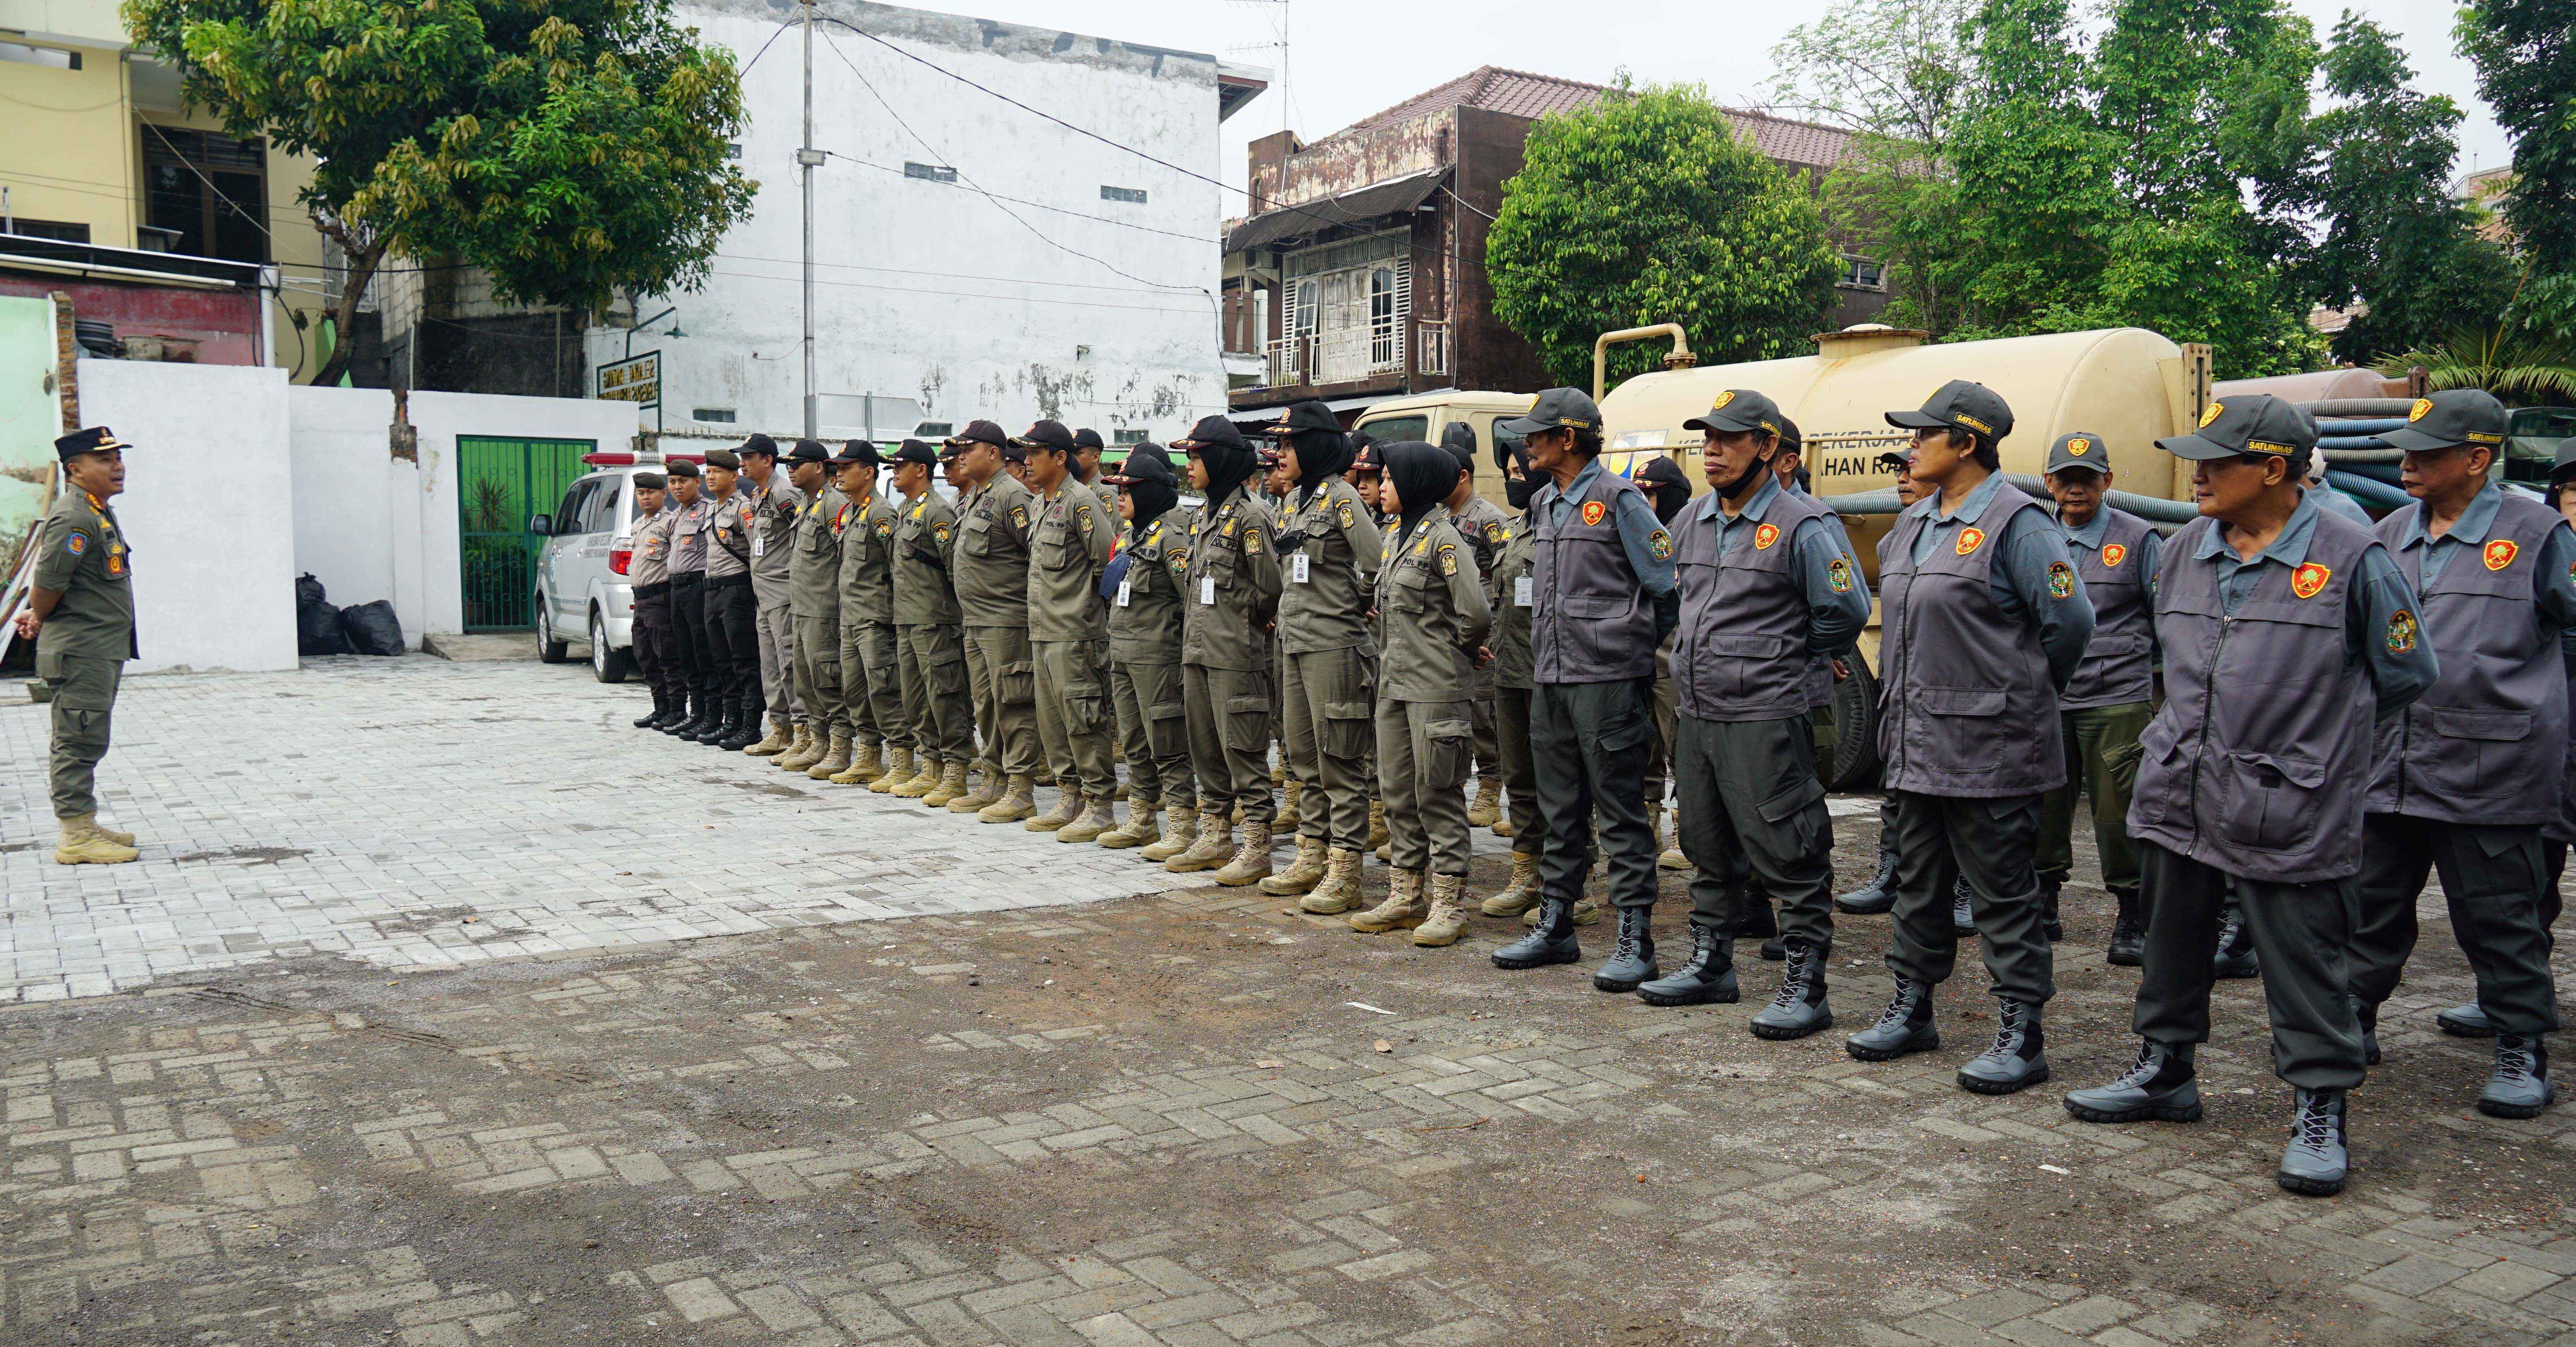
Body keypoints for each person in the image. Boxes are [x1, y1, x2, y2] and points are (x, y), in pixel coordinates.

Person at [2063, 393, 2436, 1198]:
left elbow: (2405, 676)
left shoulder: (2350, 556)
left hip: (2289, 804)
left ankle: (2318, 1107)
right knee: (2169, 945)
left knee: (2303, 964)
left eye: (2213, 460)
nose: (2194, 474)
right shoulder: (2186, 545)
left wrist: (2317, 751)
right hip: (2179, 790)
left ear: (2272, 468)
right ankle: (2164, 1070)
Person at [1845, 381, 2094, 1096]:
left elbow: (2069, 624)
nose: (1911, 443)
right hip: (1914, 742)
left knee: (2001, 894)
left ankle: (2020, 1032)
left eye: (1925, 433)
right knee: (1916, 886)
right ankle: (1910, 1007)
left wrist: (2017, 694)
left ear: (1965, 443)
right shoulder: (1912, 525)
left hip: (1991, 748)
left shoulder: (2021, 525)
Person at [2346, 389, 2570, 1118]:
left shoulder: (2536, 533)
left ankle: (2519, 1046)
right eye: (2405, 451)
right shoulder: (2384, 534)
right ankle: (2351, 1023)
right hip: (2389, 763)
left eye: (2426, 453)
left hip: (2491, 767)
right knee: (2367, 907)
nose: (2405, 464)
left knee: (2498, 916)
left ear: (2476, 459)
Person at [1639, 391, 1871, 1034]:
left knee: (1788, 847)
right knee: (1706, 843)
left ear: (1766, 448)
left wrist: (1790, 656)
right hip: (1700, 712)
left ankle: (1806, 983)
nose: (1710, 451)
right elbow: (1672, 600)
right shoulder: (1690, 520)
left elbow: (1846, 609)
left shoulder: (1802, 524)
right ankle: (1712, 963)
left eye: (1728, 439)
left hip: (1767, 713)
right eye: (1705, 438)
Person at [1489, 388, 1680, 974]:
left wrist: (1628, 651)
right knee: (1558, 807)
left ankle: (1633, 939)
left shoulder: (1619, 498)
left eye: (1537, 434)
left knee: (1619, 809)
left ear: (1567, 438)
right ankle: (1555, 925)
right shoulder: (1546, 502)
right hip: (1550, 675)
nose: (1527, 444)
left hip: (1605, 681)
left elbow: (1665, 585)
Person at [1348, 442, 1493, 945]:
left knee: (1437, 794)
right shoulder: (1393, 536)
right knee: (1395, 793)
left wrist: (1459, 651)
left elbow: (1474, 613)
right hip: (1394, 684)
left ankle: (1448, 904)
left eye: (1388, 477)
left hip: (1435, 688)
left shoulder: (1444, 540)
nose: (1380, 484)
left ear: (1413, 482)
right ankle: (1406, 895)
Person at [2034, 432, 2161, 963]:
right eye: (2065, 478)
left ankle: (2132, 915)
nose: (2075, 488)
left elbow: (2167, 618)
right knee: (2041, 805)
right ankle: (2042, 903)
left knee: (2118, 812)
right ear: (2049, 483)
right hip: (2046, 697)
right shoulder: (2033, 536)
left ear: (2107, 481)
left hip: (2115, 698)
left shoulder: (2138, 539)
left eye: (2086, 478)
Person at [1261, 401, 1382, 913]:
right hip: (1293, 641)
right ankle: (1311, 855)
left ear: (1311, 446)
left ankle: (1345, 871)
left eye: (1288, 445)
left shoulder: (1342, 498)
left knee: (1339, 761)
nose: (1280, 454)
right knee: (1303, 759)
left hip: (1332, 645)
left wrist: (1357, 602)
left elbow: (1376, 558)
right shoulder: (1293, 502)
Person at [1165, 415, 1284, 883]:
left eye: (1196, 457)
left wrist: (1242, 622)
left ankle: (1256, 846)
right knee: (1205, 747)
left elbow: (1269, 585)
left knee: (1242, 749)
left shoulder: (1251, 516)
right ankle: (1215, 835)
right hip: (1197, 650)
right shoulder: (1201, 515)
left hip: (1234, 653)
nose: (1189, 466)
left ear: (1217, 459)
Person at [20, 426, 143, 864]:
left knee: (87, 738)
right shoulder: (75, 517)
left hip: (97, 647)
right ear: (75, 470)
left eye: (118, 458)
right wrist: (40, 612)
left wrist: (38, 617)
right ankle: (75, 836)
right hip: (81, 650)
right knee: (77, 741)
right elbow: (48, 584)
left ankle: (85, 823)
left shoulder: (96, 511)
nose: (118, 467)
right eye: (104, 460)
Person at [1017, 421, 1121, 841]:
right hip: (1043, 630)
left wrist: (1089, 619)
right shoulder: (1041, 503)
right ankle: (1069, 796)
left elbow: (1107, 566)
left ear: (1060, 458)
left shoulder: (1082, 502)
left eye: (1034, 453)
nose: (1026, 462)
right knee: (1053, 722)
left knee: (1084, 719)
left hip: (1075, 632)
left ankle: (1099, 804)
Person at [941, 421, 1043, 822]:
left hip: (1007, 619)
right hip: (976, 620)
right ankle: (994, 779)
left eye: (970, 447)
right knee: (986, 705)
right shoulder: (973, 498)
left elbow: (1035, 556)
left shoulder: (1012, 495)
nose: (962, 455)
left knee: (1013, 704)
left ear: (995, 452)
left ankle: (1021, 789)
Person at [1836, 450, 1923, 914]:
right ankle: (1891, 872)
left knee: (1962, 798)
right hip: (1900, 684)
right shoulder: (1896, 538)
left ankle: (1967, 891)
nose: (1902, 479)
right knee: (1895, 785)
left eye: (1909, 470)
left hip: (1954, 692)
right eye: (1897, 472)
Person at [1101, 444, 1198, 855]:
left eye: (1128, 488)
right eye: (1118, 488)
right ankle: (1141, 820)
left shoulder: (1171, 540)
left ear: (1152, 492)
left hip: (1157, 658)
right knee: (1134, 740)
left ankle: (1181, 824)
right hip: (1122, 653)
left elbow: (1189, 599)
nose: (1119, 495)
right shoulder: (1129, 536)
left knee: (1167, 741)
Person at [882, 440, 976, 804]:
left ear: (921, 470)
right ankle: (932, 765)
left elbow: (955, 568)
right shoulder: (906, 508)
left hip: (935, 620)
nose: (895, 471)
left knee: (944, 695)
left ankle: (955, 769)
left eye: (900, 465)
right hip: (908, 618)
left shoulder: (937, 511)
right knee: (916, 697)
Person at [1478, 434, 1547, 919]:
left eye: (1520, 472)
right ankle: (1526, 874)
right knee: (1520, 780)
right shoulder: (1514, 529)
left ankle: (1573, 885)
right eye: (1507, 474)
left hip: (1552, 674)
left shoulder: (1564, 526)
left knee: (1561, 783)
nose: (1511, 480)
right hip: (1510, 672)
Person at [1441, 422, 1515, 832]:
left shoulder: (1488, 518)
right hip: (1450, 629)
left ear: (1464, 476)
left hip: (1483, 629)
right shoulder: (1438, 519)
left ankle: (1491, 787)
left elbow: (1509, 569)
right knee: (1462, 712)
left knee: (1486, 714)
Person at [825, 441, 905, 786]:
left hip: (875, 619)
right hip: (851, 617)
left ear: (869, 472)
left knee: (884, 692)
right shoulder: (851, 512)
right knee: (855, 693)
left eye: (847, 466)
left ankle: (901, 760)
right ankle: (869, 757)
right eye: (837, 467)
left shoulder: (881, 512)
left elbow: (898, 567)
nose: (839, 472)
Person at [776, 441, 847, 776]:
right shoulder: (809, 503)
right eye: (788, 463)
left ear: (819, 467)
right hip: (803, 607)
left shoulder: (834, 504)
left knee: (828, 680)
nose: (790, 468)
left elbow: (846, 557)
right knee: (806, 681)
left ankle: (840, 747)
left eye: (798, 463)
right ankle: (818, 741)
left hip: (825, 609)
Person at [739, 435, 808, 759]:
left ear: (768, 460)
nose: (743, 462)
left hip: (783, 592)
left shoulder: (784, 493)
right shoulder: (758, 494)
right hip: (763, 594)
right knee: (770, 666)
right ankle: (779, 730)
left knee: (789, 664)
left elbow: (805, 539)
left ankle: (803, 732)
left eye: (749, 456)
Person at [699, 446, 765, 752]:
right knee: (721, 659)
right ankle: (731, 720)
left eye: (717, 472)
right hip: (712, 591)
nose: (710, 477)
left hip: (736, 590)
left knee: (743, 659)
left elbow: (757, 550)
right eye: (708, 472)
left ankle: (751, 725)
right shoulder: (713, 509)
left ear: (734, 475)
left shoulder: (743, 508)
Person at [661, 460, 720, 740]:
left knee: (703, 653)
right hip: (676, 589)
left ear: (697, 482)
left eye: (682, 481)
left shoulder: (708, 511)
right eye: (672, 482)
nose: (677, 487)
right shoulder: (676, 515)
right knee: (686, 653)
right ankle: (695, 713)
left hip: (698, 588)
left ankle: (711, 715)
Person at [625, 472, 684, 731]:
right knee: (645, 655)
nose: (645, 497)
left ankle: (677, 709)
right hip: (640, 600)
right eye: (641, 493)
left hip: (660, 597)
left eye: (651, 492)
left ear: (663, 494)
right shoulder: (638, 525)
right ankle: (660, 707)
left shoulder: (670, 523)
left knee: (667, 655)